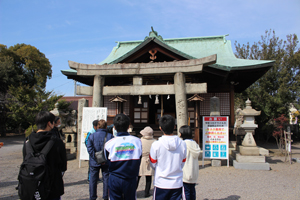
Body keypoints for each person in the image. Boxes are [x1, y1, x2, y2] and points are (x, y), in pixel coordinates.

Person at [22, 111, 67, 200]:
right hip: (52, 186)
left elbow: (25, 160)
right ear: (49, 123)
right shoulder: (57, 142)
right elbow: (63, 166)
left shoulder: (28, 141)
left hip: (32, 186)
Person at [104, 113, 142, 200]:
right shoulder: (137, 141)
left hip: (115, 177)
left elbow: (106, 161)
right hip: (131, 177)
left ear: (114, 127)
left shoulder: (109, 144)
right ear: (128, 126)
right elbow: (139, 157)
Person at [149, 115, 187, 200]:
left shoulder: (156, 144)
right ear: (174, 127)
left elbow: (153, 163)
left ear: (160, 128)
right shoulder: (182, 144)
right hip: (177, 182)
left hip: (161, 182)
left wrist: (160, 169)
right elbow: (183, 162)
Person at [87, 120, 114, 200]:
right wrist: (105, 157)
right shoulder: (110, 136)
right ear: (106, 126)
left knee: (93, 180)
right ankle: (106, 196)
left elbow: (89, 148)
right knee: (106, 178)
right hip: (106, 160)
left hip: (94, 161)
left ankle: (92, 196)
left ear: (97, 126)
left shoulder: (92, 136)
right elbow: (112, 149)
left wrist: (95, 158)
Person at [180, 125, 201, 200]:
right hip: (194, 172)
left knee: (185, 192)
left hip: (185, 172)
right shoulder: (195, 144)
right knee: (192, 190)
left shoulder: (183, 144)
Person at [136, 126, 156, 197]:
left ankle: (134, 190)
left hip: (142, 159)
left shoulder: (140, 140)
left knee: (138, 176)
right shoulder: (154, 141)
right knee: (148, 177)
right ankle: (147, 192)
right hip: (150, 160)